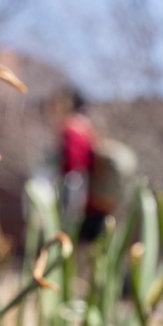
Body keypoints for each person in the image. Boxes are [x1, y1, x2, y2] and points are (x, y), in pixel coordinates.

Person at [57, 87, 111, 241]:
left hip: (75, 182)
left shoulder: (71, 126)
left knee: (70, 225)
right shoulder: (90, 128)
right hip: (90, 188)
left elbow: (71, 160)